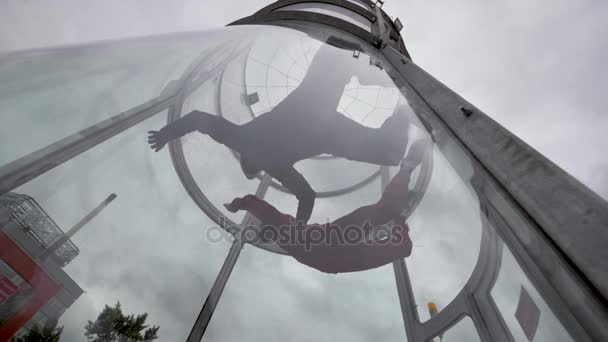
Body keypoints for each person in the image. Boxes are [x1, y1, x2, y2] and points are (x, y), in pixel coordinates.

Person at [148, 42, 410, 223]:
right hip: (314, 110)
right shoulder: (239, 139)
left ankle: (403, 110)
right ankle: (376, 83)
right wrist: (165, 134)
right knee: (334, 56)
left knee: (390, 152)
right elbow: (198, 120)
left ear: (256, 168)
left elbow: (306, 196)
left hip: (325, 129)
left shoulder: (273, 165)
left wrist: (298, 226)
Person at [223, 140, 427, 274]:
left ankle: (401, 195)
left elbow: (378, 255)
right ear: (267, 231)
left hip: (333, 260)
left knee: (392, 242)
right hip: (332, 239)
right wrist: (237, 204)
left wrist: (400, 226)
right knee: (382, 216)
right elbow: (257, 205)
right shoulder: (282, 228)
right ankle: (405, 175)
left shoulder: (288, 239)